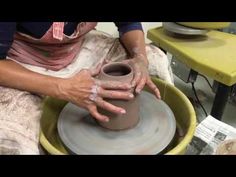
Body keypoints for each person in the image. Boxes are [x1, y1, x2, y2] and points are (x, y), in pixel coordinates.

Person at [0, 22, 173, 154]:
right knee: (15, 143)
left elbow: (128, 24)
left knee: (154, 61)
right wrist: (63, 88)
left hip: (79, 50)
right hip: (26, 64)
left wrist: (140, 57)